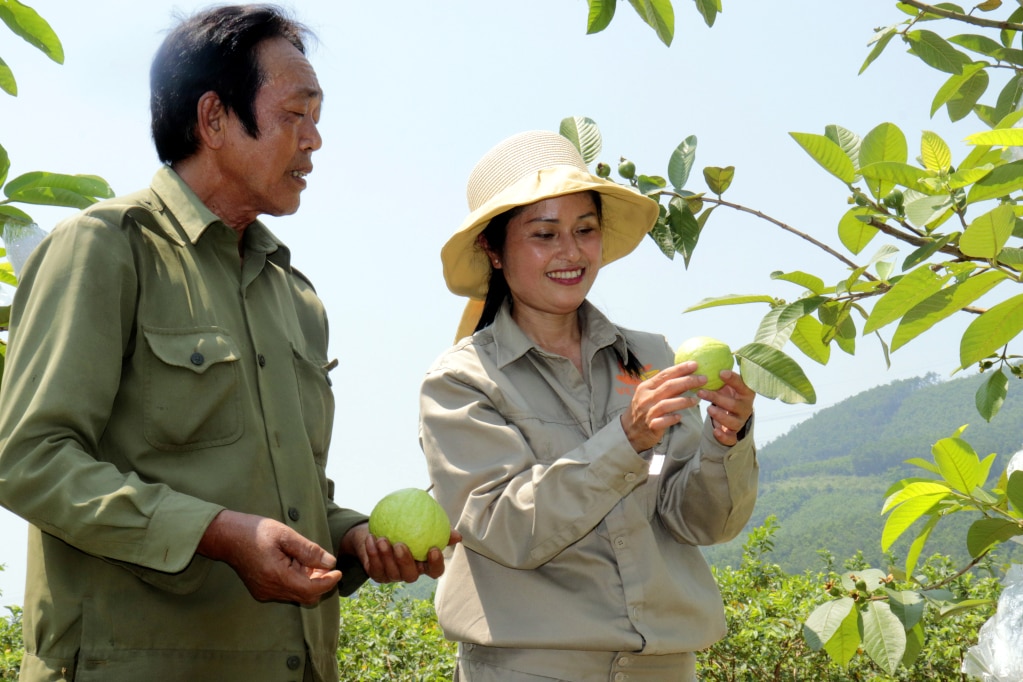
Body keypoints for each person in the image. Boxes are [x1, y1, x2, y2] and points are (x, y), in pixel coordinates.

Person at [0, 5, 455, 681]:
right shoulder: (105, 251)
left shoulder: (292, 296)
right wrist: (216, 533)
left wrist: (354, 539)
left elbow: (287, 496)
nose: (314, 141)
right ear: (213, 119)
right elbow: (27, 459)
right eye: (296, 114)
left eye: (318, 118)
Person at [418, 130, 758, 681]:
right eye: (544, 234)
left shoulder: (649, 359)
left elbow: (699, 520)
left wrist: (725, 442)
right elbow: (505, 528)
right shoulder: (461, 381)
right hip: (532, 669)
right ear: (494, 250)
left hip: (665, 668)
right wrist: (627, 438)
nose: (570, 252)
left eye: (585, 229)